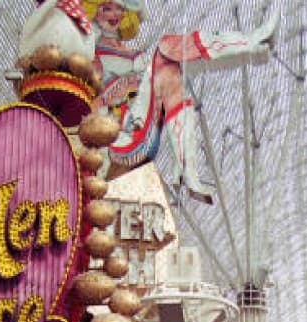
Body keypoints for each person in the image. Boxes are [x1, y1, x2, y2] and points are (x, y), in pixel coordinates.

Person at [81, 1, 278, 202]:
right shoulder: (91, 56)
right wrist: (119, 88)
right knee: (168, 61)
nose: (114, 14)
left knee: (167, 58)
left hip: (139, 130)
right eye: (106, 8)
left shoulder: (137, 57)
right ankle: (186, 171)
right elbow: (86, 109)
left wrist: (132, 85)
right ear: (94, 11)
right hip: (111, 138)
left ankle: (187, 170)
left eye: (119, 8)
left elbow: (149, 92)